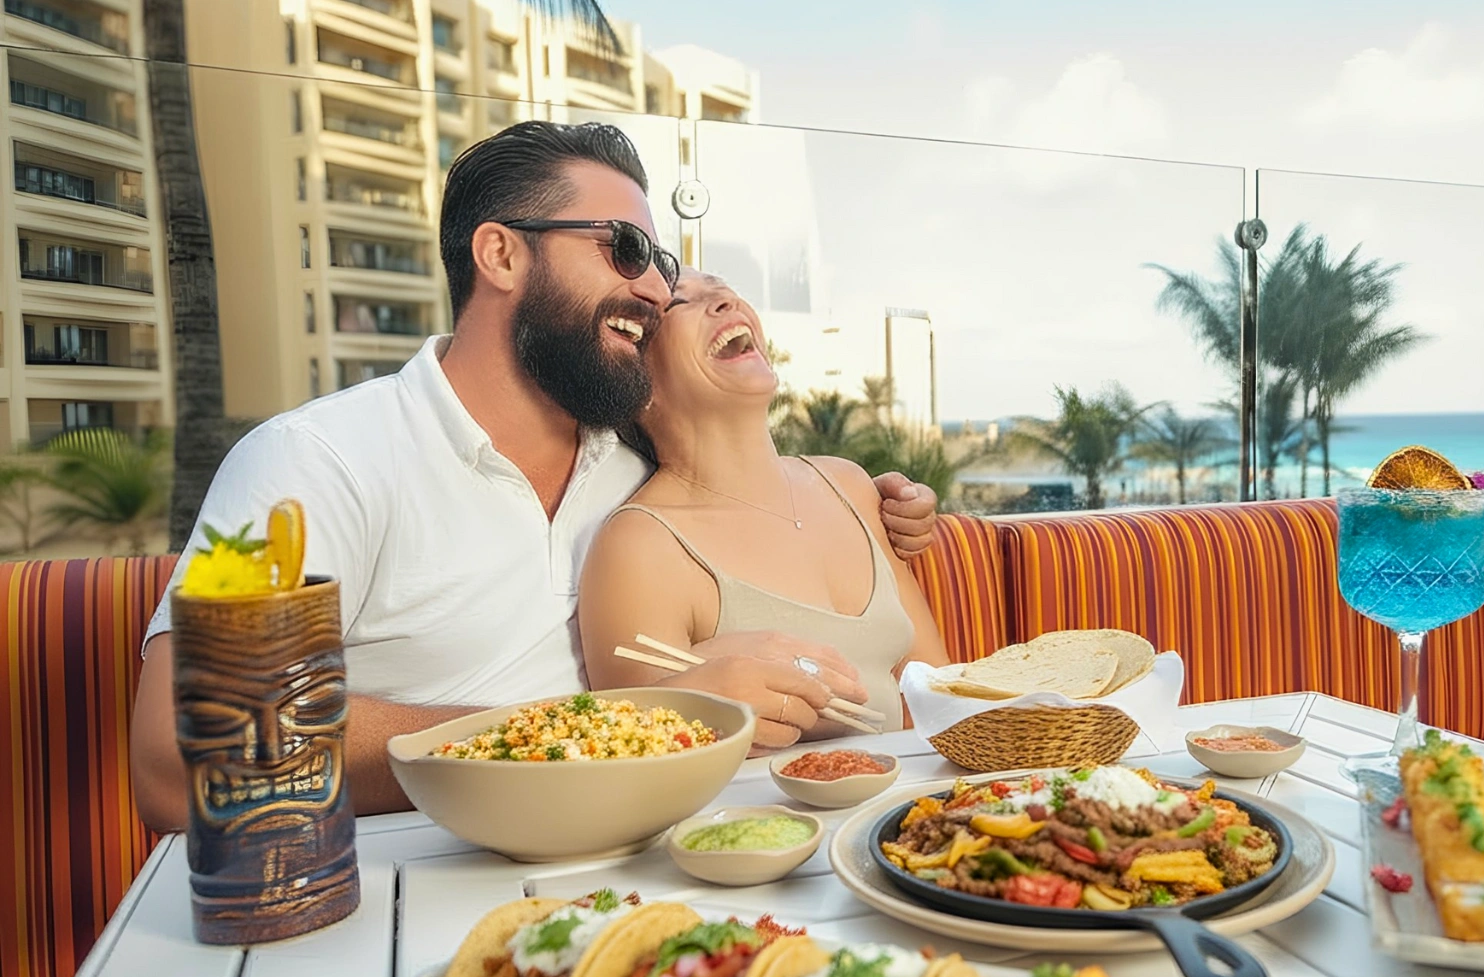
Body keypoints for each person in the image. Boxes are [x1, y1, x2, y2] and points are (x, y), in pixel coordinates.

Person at [128, 122, 939, 834]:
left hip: (641, 869)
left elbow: (761, 493)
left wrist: (893, 510)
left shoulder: (635, 471)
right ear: (502, 253)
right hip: (401, 887)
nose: (656, 287)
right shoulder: (315, 463)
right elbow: (185, 753)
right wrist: (621, 723)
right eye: (624, 249)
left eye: (658, 261)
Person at [579, 272, 952, 733]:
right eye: (680, 303)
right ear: (639, 385)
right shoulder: (640, 549)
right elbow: (646, 755)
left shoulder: (850, 485)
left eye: (725, 290)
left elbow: (941, 694)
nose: (725, 302)